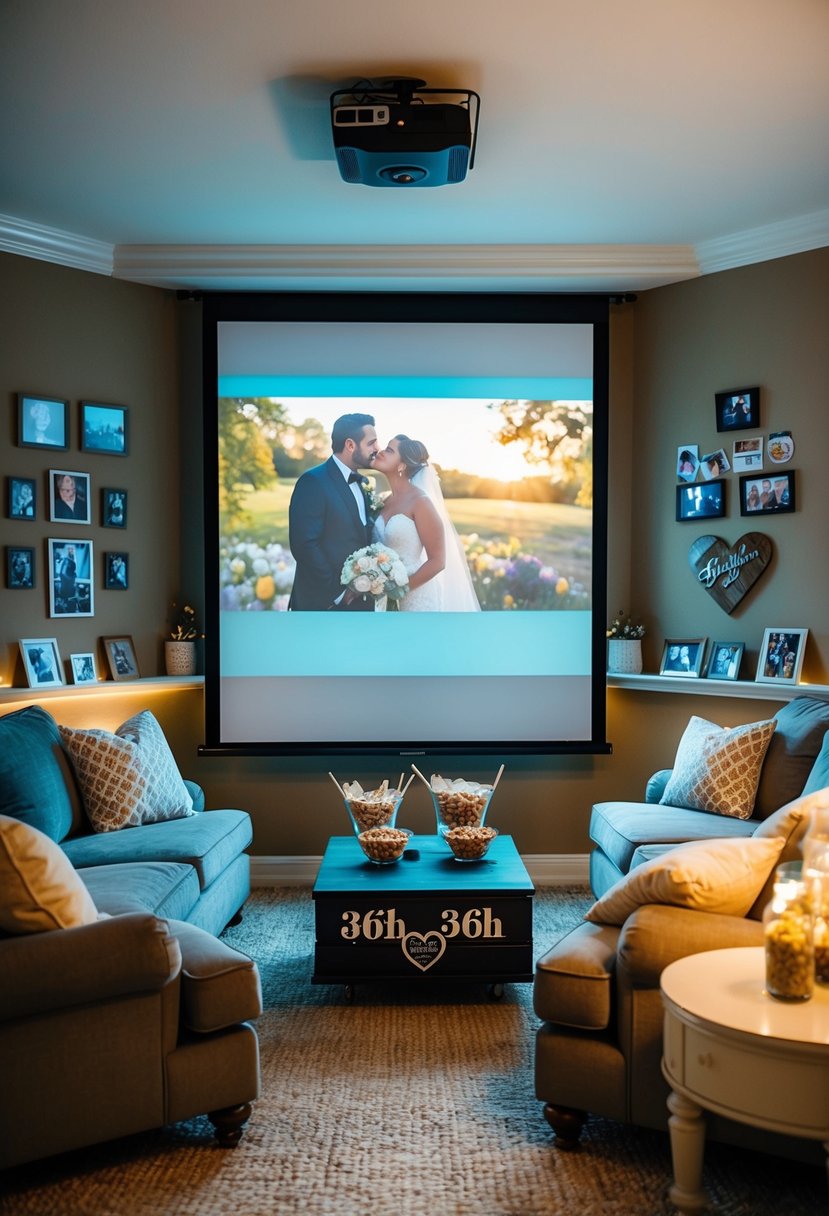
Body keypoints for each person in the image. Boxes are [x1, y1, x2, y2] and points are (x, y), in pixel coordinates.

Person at [372, 436, 479, 613]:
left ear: (402, 465)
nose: (381, 451)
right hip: (382, 597)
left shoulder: (421, 502)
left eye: (390, 450)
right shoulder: (383, 500)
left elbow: (437, 561)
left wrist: (400, 591)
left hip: (415, 598)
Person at [288, 413, 379, 610]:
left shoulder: (363, 483)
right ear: (350, 445)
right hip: (324, 603)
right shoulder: (313, 482)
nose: (377, 449)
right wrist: (338, 593)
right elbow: (304, 545)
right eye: (371, 443)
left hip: (361, 604)